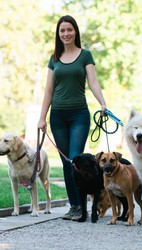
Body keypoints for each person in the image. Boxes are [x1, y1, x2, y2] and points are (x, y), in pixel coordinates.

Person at [37, 15, 107, 221]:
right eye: (62, 31)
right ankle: (75, 206)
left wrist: (103, 103)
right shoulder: (54, 58)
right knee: (66, 162)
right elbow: (48, 90)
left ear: (75, 31)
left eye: (69, 30)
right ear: (58, 34)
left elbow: (93, 82)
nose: (66, 33)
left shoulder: (85, 55)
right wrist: (42, 118)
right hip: (58, 116)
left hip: (79, 115)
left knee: (75, 160)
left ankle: (84, 205)